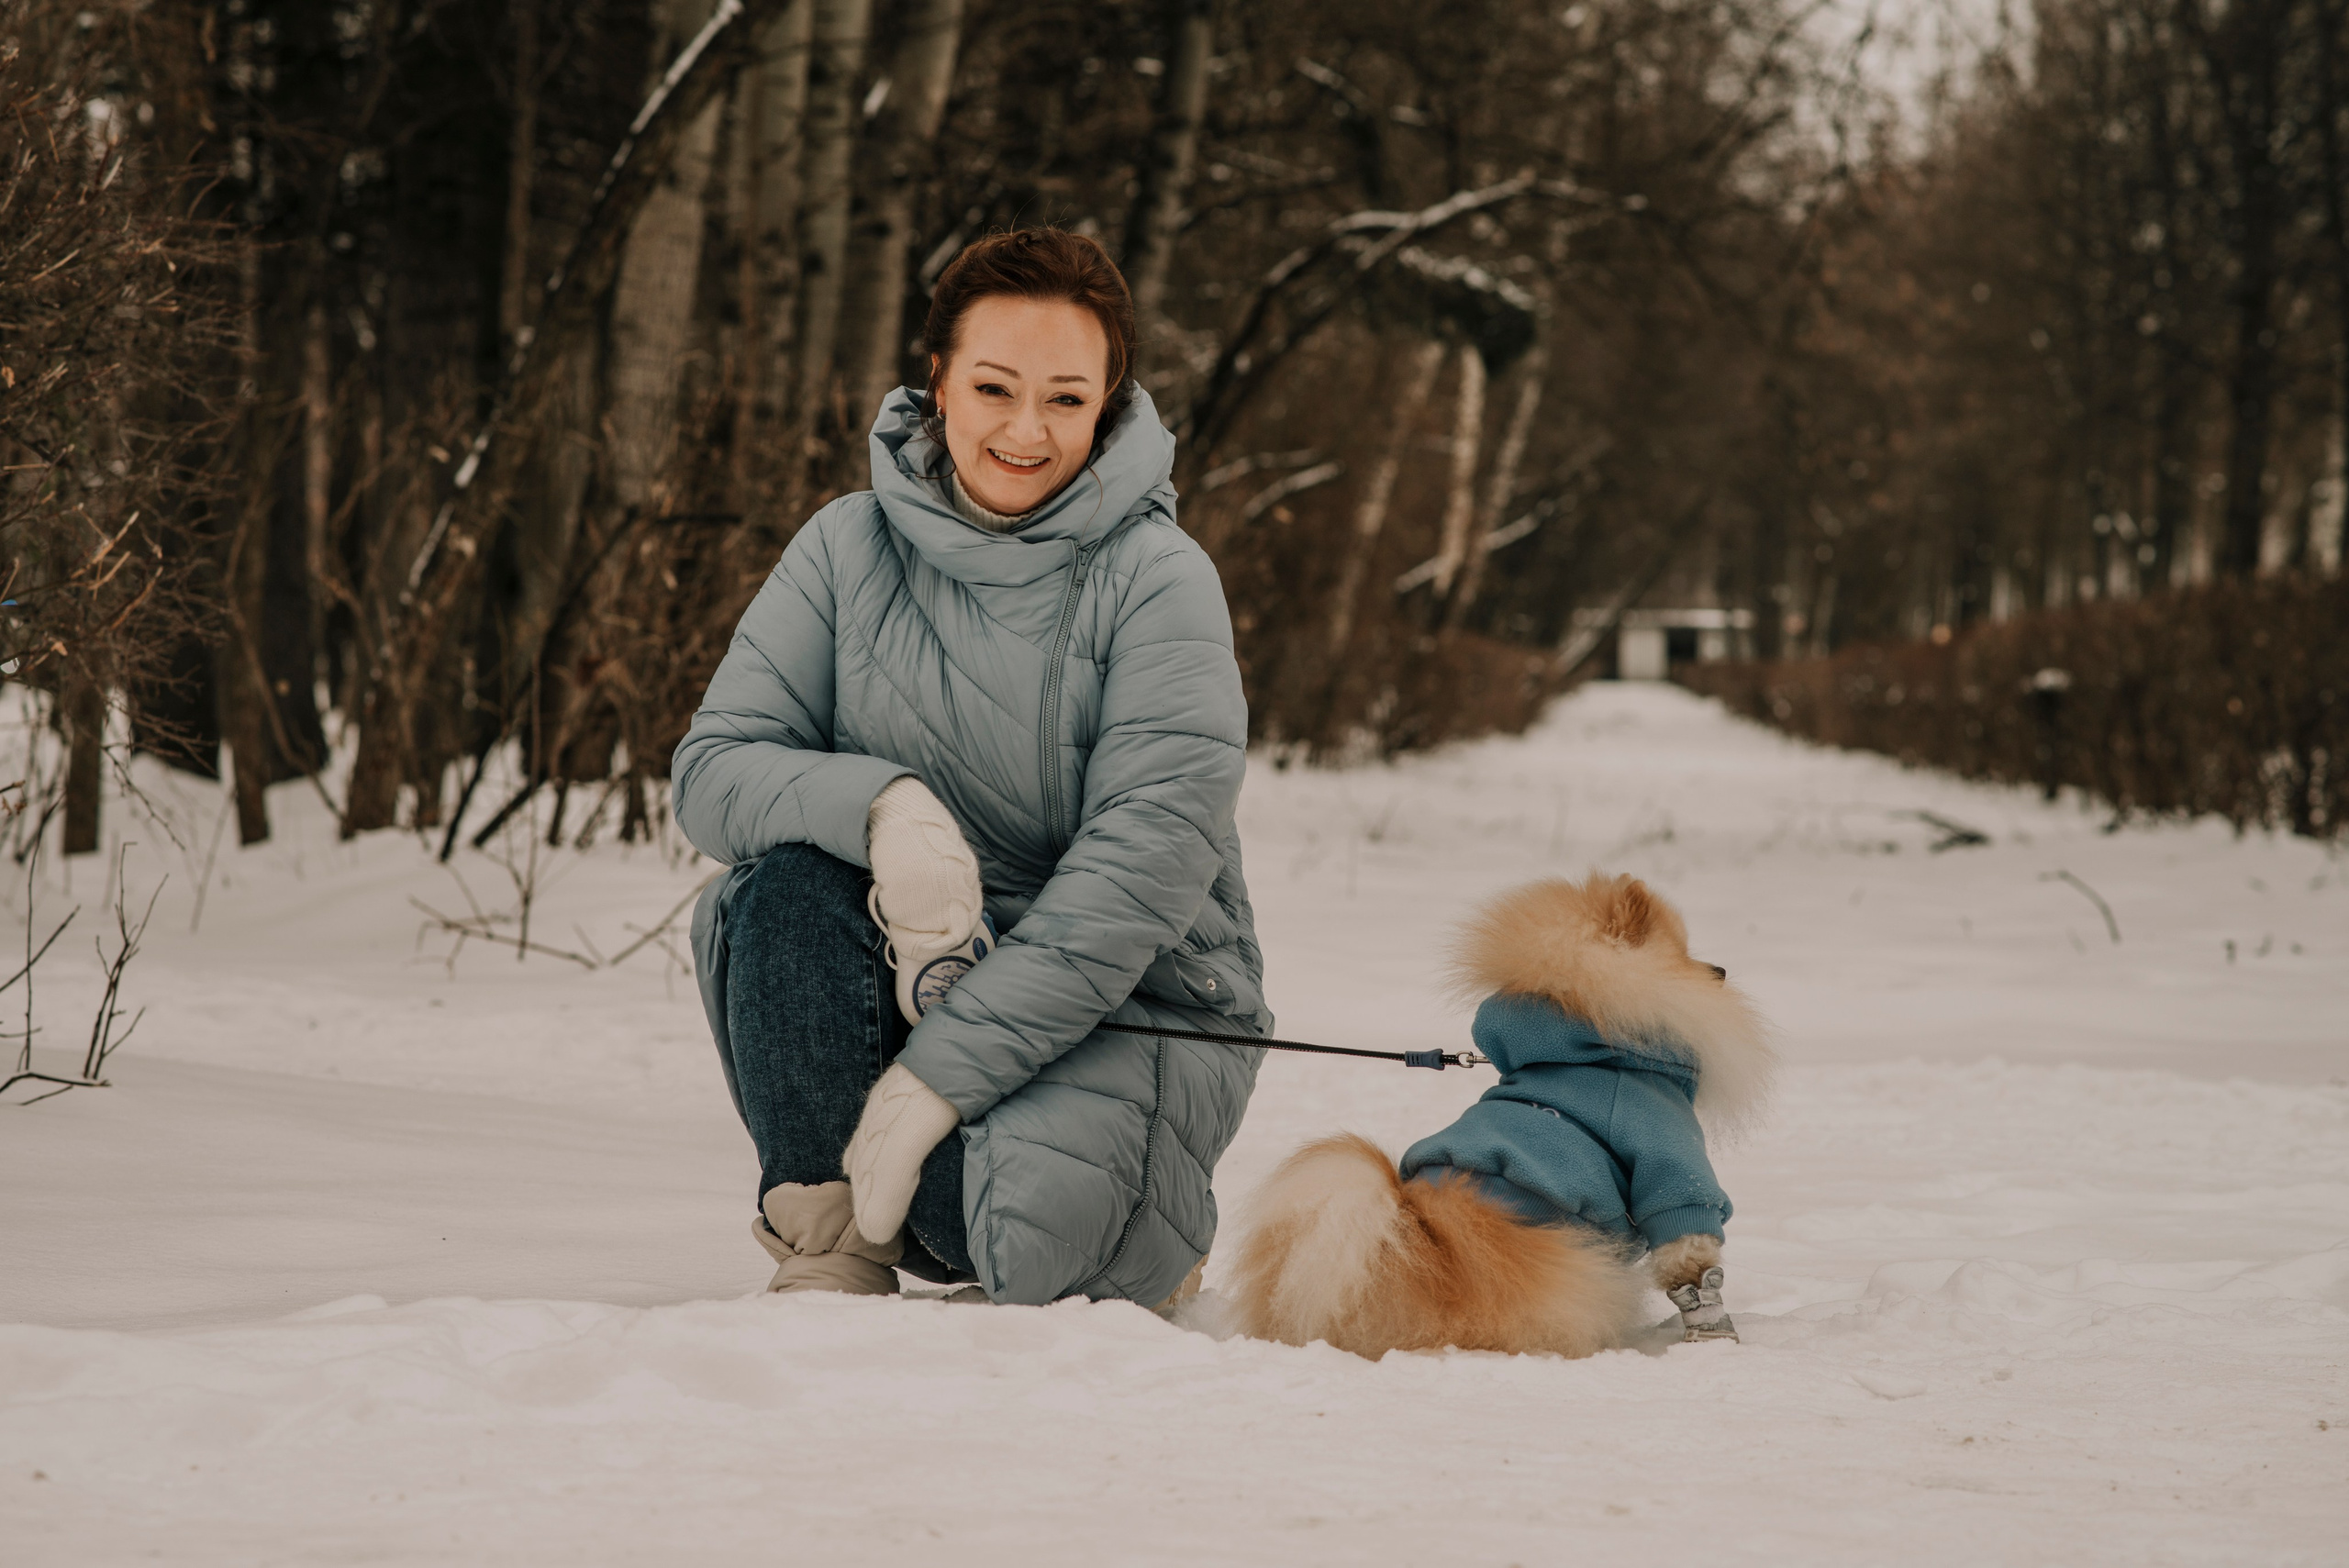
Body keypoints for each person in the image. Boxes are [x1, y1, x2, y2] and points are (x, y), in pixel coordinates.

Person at [675, 228, 1268, 1309]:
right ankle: (829, 1243)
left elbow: (1138, 877)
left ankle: (1087, 1233)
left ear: (1108, 404)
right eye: (994, 387)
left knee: (1019, 1226)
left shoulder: (1159, 580)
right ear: (938, 379)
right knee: (779, 887)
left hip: (1108, 1002)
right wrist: (882, 810)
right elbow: (712, 771)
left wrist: (939, 1077)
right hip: (901, 976)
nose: (1026, 431)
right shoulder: (844, 548)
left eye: (1065, 399)